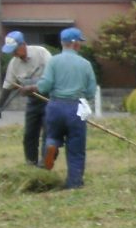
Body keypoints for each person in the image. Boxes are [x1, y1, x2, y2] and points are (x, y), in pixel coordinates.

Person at [36, 27, 98, 190]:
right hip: (75, 107)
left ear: (63, 43)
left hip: (55, 105)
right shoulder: (85, 64)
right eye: (80, 42)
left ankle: (51, 146)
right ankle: (74, 182)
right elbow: (91, 91)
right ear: (75, 44)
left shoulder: (53, 61)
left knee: (53, 135)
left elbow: (45, 85)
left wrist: (37, 86)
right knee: (76, 147)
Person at [0, 31, 52, 168]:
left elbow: (52, 77)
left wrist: (32, 87)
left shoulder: (41, 53)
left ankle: (45, 165)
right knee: (29, 135)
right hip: (33, 102)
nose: (13, 54)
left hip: (50, 100)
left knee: (48, 134)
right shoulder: (14, 64)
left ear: (23, 44)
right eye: (11, 51)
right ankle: (31, 164)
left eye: (15, 50)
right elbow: (8, 86)